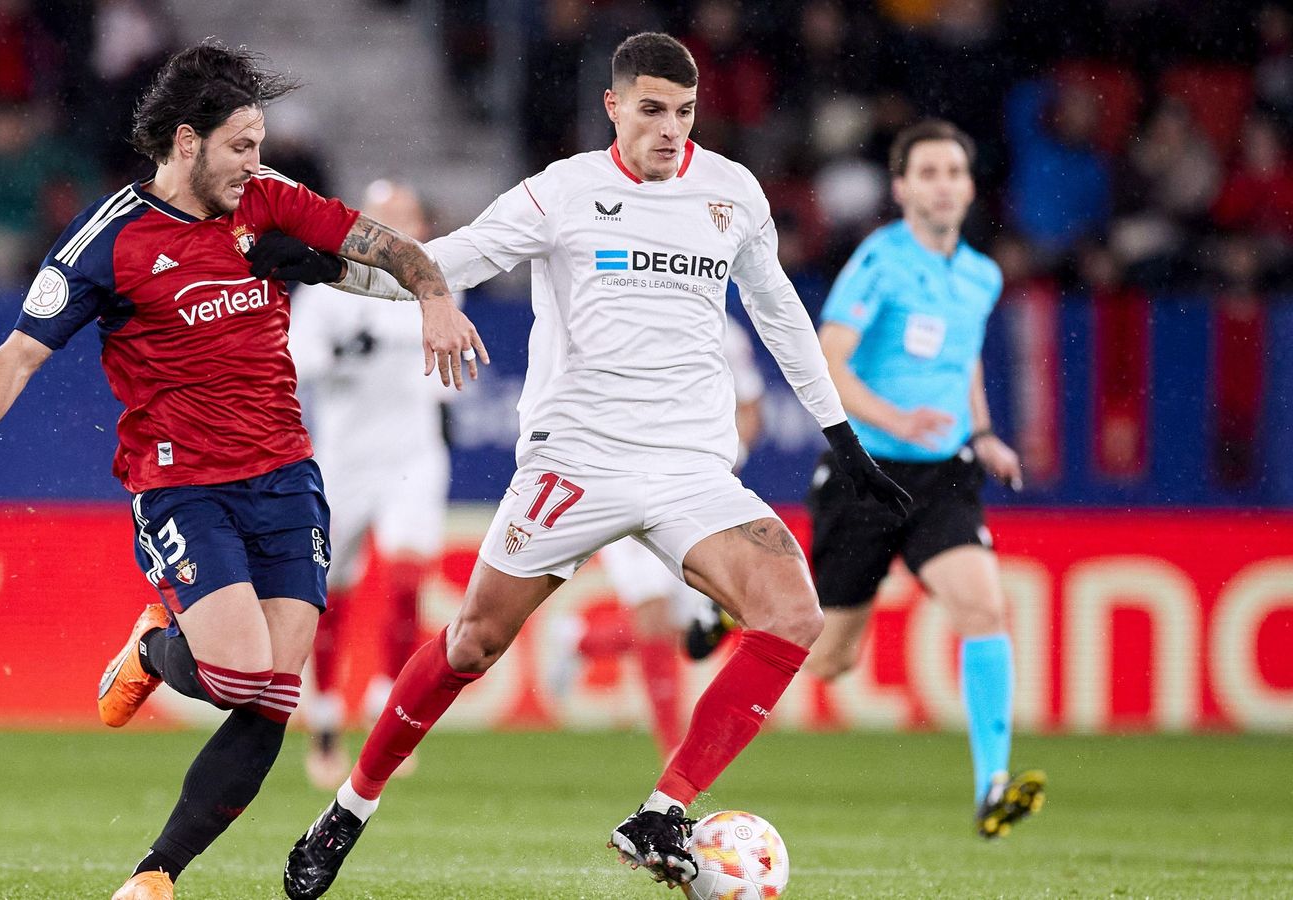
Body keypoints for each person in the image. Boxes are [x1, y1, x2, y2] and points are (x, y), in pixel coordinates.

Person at [266, 33, 909, 897]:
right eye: (650, 110)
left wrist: (839, 433)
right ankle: (348, 807)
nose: (670, 130)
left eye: (683, 112)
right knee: (473, 640)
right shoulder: (563, 191)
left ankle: (663, 811)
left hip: (689, 465)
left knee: (793, 613)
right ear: (613, 107)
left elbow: (781, 314)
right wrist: (326, 267)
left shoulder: (732, 194)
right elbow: (448, 262)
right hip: (576, 460)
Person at [0, 41, 486, 900]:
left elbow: (391, 249)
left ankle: (155, 874)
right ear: (186, 141)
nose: (257, 165)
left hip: (286, 477)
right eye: (241, 147)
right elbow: (21, 352)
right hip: (182, 483)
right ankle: (150, 647)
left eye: (261, 146)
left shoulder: (270, 208)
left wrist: (433, 295)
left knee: (271, 700)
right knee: (241, 673)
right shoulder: (111, 240)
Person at [802, 118, 1045, 839]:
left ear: (970, 188)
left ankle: (990, 786)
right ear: (902, 187)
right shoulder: (878, 261)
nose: (943, 184)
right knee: (829, 660)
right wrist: (892, 417)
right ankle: (734, 611)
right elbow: (826, 360)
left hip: (943, 475)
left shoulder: (981, 275)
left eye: (955, 172)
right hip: (865, 474)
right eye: (928, 172)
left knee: (984, 607)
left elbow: (962, 358)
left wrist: (982, 433)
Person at [286, 179, 454, 789]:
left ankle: (390, 718)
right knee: (329, 594)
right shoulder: (329, 290)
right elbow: (299, 361)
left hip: (412, 456)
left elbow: (446, 372)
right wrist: (343, 352)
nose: (399, 228)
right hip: (344, 461)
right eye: (386, 217)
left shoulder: (433, 286)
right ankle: (326, 725)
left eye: (408, 216)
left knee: (407, 581)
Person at [553, 313, 764, 759]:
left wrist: (728, 457)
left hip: (698, 493)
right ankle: (675, 749)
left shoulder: (728, 335)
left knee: (681, 632)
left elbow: (750, 408)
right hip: (629, 484)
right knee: (652, 614)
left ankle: (582, 640)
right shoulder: (626, 319)